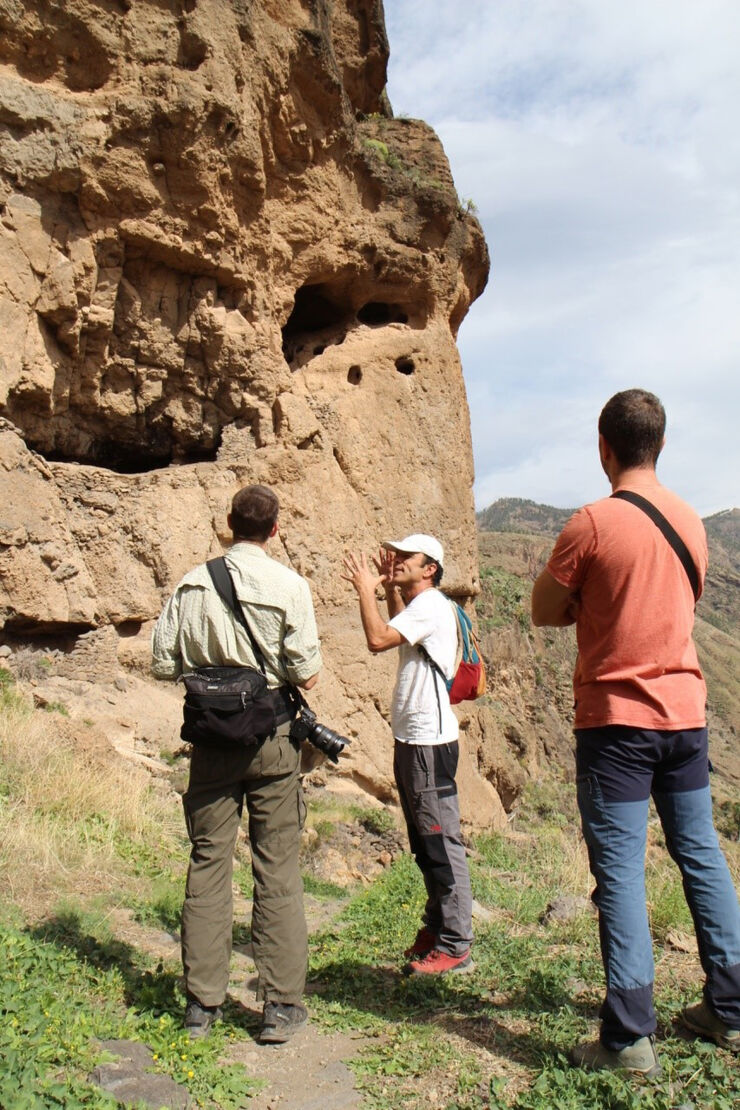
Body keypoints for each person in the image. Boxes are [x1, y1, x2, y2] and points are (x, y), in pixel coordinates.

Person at [531, 388, 740, 1074]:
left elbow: (543, 609)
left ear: (604, 447)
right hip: (685, 717)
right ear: (663, 443)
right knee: (702, 855)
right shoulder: (693, 522)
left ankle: (627, 1037)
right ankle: (731, 1009)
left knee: (619, 872)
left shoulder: (591, 523)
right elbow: (685, 597)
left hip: (617, 725)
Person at [152, 484, 322, 1043]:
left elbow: (161, 662)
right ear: (274, 529)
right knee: (277, 869)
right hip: (272, 740)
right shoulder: (289, 585)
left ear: (228, 524)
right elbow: (306, 672)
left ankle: (202, 1005)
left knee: (208, 863)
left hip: (211, 744)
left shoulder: (192, 583)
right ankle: (281, 1008)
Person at [343, 534, 474, 975]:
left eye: (406, 558)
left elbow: (379, 640)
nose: (396, 560)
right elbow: (405, 637)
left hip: (429, 744)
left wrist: (366, 589)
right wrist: (391, 590)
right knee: (424, 843)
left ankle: (455, 943)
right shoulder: (423, 605)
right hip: (415, 740)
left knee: (440, 841)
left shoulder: (434, 604)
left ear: (430, 568)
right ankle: (437, 929)